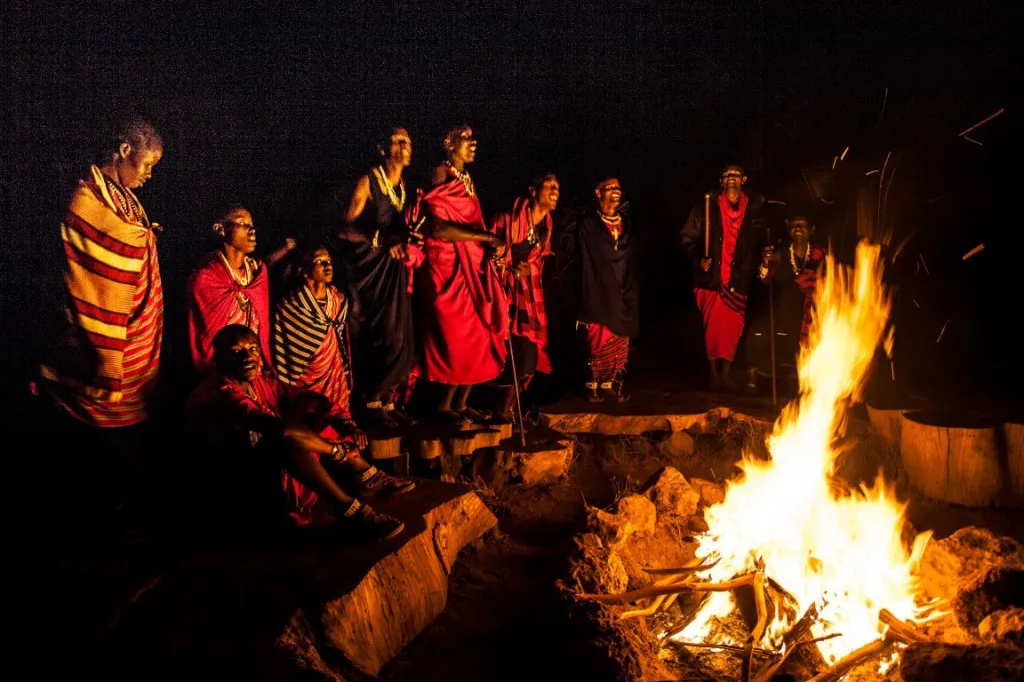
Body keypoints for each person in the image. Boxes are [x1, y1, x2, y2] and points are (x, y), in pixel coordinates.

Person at [34, 118, 166, 517]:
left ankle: (122, 507)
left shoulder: (123, 197)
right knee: (96, 436)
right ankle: (103, 514)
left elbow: (129, 236)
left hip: (136, 336)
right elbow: (97, 243)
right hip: (93, 336)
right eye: (146, 164)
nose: (148, 174)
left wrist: (141, 236)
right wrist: (137, 238)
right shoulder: (85, 197)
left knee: (130, 431)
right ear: (124, 149)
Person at [186, 325, 413, 539]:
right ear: (218, 360)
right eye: (236, 352)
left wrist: (345, 421)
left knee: (318, 414)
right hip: (231, 487)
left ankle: (366, 474)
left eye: (253, 349)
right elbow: (281, 431)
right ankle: (349, 510)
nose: (247, 357)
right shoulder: (222, 392)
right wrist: (335, 450)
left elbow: (308, 398)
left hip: (261, 470)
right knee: (288, 441)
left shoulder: (259, 383)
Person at [410, 125, 508, 425]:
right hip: (446, 267)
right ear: (449, 144)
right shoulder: (440, 173)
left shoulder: (466, 178)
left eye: (473, 137)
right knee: (455, 337)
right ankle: (442, 406)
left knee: (481, 333)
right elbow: (439, 228)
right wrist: (486, 238)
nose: (473, 141)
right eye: (465, 138)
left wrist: (485, 244)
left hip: (471, 266)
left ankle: (460, 403)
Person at [338, 127, 423, 428]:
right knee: (384, 334)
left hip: (394, 268)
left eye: (408, 141)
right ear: (381, 148)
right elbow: (343, 229)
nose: (404, 146)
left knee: (403, 335)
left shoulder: (404, 187)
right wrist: (379, 240)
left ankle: (389, 400)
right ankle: (371, 402)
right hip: (368, 271)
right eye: (397, 141)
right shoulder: (368, 182)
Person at [681, 165, 766, 390]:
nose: (731, 179)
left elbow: (761, 241)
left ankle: (726, 374)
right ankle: (713, 374)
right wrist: (699, 259)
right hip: (711, 279)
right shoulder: (706, 207)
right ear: (721, 180)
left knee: (733, 329)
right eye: (727, 175)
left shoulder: (755, 210)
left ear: (744, 179)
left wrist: (765, 257)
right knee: (712, 329)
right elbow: (687, 237)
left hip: (738, 280)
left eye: (736, 175)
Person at [187, 204, 295, 374]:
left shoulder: (258, 272)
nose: (251, 231)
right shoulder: (206, 276)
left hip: (253, 364)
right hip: (224, 365)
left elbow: (262, 326)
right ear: (220, 229)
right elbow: (206, 335)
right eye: (242, 224)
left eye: (251, 225)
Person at [488, 173, 560, 421]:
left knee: (528, 356)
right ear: (532, 190)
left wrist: (530, 269)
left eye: (557, 187)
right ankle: (499, 409)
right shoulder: (507, 220)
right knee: (510, 354)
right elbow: (485, 253)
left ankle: (506, 409)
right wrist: (505, 266)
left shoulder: (545, 225)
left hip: (526, 299)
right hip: (502, 295)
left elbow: (538, 260)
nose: (554, 191)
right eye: (549, 185)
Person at [744, 210, 824, 395]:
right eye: (794, 225)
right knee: (760, 335)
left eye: (802, 226)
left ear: (811, 230)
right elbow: (764, 280)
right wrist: (765, 263)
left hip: (809, 310)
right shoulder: (779, 254)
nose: (798, 229)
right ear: (789, 231)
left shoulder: (820, 254)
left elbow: (829, 279)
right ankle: (756, 379)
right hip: (783, 308)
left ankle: (800, 384)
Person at [273, 245, 357, 420]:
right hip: (307, 380)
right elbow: (290, 351)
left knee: (338, 423)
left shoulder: (338, 300)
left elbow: (338, 335)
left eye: (329, 261)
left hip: (335, 376)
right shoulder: (292, 306)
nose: (328, 266)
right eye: (320, 262)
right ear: (304, 270)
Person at [576, 177, 639, 402]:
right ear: (598, 192)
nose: (615, 191)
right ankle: (592, 385)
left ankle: (610, 384)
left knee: (619, 337)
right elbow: (587, 261)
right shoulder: (589, 225)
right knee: (598, 337)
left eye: (618, 188)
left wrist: (626, 289)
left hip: (623, 290)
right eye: (610, 188)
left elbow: (629, 260)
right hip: (598, 290)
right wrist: (597, 290)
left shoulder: (626, 225)